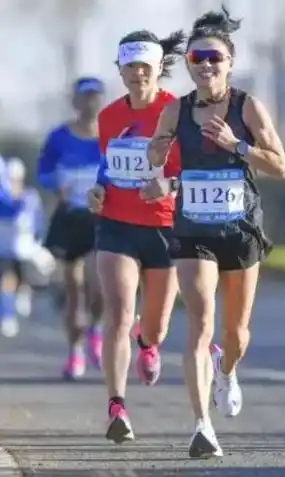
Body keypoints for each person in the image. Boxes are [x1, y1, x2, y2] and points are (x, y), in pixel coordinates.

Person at [147, 7, 285, 458]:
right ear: (188, 63)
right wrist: (156, 155)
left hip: (240, 227)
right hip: (193, 229)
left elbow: (281, 165)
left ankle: (227, 371)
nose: (206, 65)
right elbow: (156, 157)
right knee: (201, 318)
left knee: (237, 333)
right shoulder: (176, 110)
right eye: (197, 58)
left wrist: (236, 145)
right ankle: (202, 426)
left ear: (229, 62)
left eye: (215, 58)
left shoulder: (248, 107)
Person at [86, 29, 183, 444]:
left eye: (146, 65)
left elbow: (194, 171)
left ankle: (149, 342)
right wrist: (97, 190)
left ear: (160, 67)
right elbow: (108, 167)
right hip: (116, 225)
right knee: (119, 313)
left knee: (155, 325)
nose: (139, 73)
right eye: (131, 66)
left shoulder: (177, 112)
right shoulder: (108, 116)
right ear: (121, 70)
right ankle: (117, 406)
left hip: (165, 227)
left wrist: (169, 186)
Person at [37, 76, 105, 380]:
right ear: (76, 102)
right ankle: (75, 352)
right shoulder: (59, 137)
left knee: (97, 285)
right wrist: (57, 184)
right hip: (69, 218)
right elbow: (43, 172)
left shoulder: (111, 136)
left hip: (100, 219)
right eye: (85, 97)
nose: (91, 102)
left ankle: (96, 328)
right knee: (73, 288)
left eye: (95, 96)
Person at [0, 158, 50, 337]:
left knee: (22, 280)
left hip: (25, 248)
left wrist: (39, 237)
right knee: (7, 280)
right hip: (4, 248)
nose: (14, 182)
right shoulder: (2, 196)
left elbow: (38, 220)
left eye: (16, 178)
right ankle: (7, 316)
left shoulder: (30, 196)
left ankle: (24, 292)